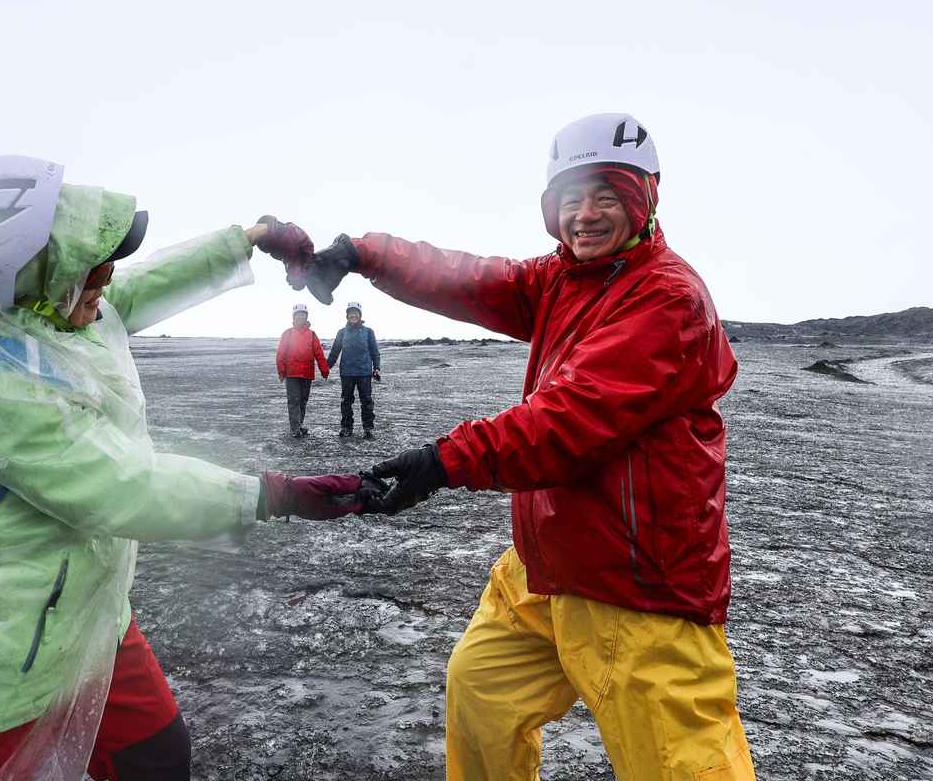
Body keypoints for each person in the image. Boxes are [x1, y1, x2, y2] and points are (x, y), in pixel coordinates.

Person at [0, 156, 374, 781]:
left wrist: (248, 237)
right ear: (39, 277)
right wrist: (273, 494)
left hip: (86, 614)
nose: (107, 279)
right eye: (93, 268)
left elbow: (133, 289)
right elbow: (123, 488)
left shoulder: (48, 312)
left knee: (156, 757)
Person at [300, 114, 756, 780]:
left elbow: (568, 420)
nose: (585, 215)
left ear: (644, 199)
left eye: (606, 196)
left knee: (684, 765)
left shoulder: (667, 298)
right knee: (481, 691)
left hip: (637, 582)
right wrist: (364, 254)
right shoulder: (562, 280)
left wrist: (443, 460)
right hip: (546, 567)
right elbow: (469, 278)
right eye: (571, 198)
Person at [325, 301, 381, 439]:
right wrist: (326, 367)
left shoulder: (368, 332)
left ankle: (368, 428)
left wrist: (376, 368)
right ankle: (346, 427)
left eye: (356, 313)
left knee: (366, 401)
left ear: (360, 315)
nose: (353, 315)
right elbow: (335, 351)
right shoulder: (342, 332)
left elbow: (375, 352)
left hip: (364, 372)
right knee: (346, 401)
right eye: (351, 313)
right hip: (347, 372)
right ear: (347, 315)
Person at [275, 302, 330, 438]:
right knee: (293, 401)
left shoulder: (312, 335)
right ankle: (295, 428)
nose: (300, 317)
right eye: (298, 315)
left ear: (306, 317)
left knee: (303, 401)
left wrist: (324, 370)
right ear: (294, 317)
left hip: (307, 374)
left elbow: (319, 353)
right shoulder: (287, 334)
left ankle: (299, 424)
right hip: (292, 374)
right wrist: (281, 371)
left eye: (303, 315)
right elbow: (281, 353)